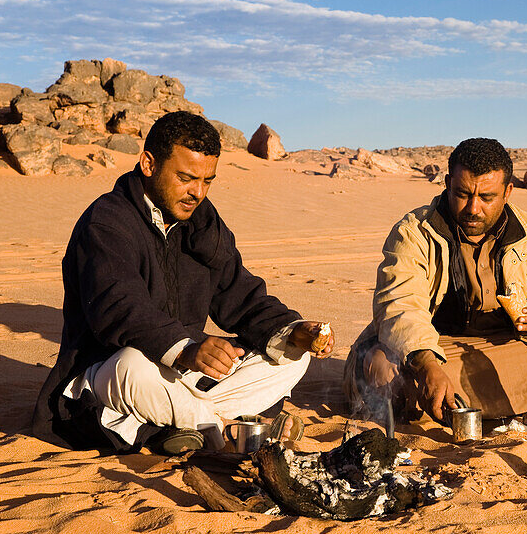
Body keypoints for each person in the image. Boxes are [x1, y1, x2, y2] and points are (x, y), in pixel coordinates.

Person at [32, 111, 333, 454]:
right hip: (111, 368)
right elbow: (118, 309)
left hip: (186, 373)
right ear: (148, 164)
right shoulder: (107, 222)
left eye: (207, 181)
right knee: (132, 366)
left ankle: (186, 421)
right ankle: (226, 430)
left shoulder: (201, 221)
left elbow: (240, 295)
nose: (198, 192)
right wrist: (187, 349)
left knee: (293, 357)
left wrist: (293, 331)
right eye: (186, 178)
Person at [344, 137, 527, 425]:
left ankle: (487, 400)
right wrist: (427, 364)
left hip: (496, 346)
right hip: (432, 347)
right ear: (447, 183)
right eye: (462, 194)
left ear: (508, 191)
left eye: (487, 198)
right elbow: (400, 306)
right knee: (383, 369)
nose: (473, 208)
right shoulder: (414, 232)